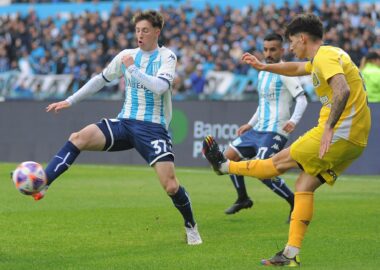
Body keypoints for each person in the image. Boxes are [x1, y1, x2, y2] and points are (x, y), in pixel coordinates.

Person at [203, 13, 371, 266]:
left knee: (276, 163)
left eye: (292, 41)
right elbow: (294, 68)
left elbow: (342, 89)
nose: (290, 47)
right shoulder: (326, 56)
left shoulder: (324, 56)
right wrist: (264, 66)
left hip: (338, 132)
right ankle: (290, 254)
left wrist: (328, 127)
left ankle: (223, 165)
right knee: (304, 186)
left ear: (303, 38)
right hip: (355, 140)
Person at [29, 10, 202, 245]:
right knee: (78, 137)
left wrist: (132, 69)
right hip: (125, 122)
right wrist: (69, 100)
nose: (140, 35)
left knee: (171, 186)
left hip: (152, 128)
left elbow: (160, 87)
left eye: (145, 31)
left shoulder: (167, 57)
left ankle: (191, 226)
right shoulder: (127, 55)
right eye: (137, 30)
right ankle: (44, 181)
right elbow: (100, 79)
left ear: (157, 32)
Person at [222, 33, 308, 218]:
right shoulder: (262, 72)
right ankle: (243, 198)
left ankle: (293, 201)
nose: (268, 53)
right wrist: (250, 124)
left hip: (275, 131)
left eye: (273, 49)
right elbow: (263, 104)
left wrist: (293, 120)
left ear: (282, 50)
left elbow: (302, 99)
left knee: (263, 171)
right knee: (227, 159)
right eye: (266, 49)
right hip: (258, 129)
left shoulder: (286, 71)